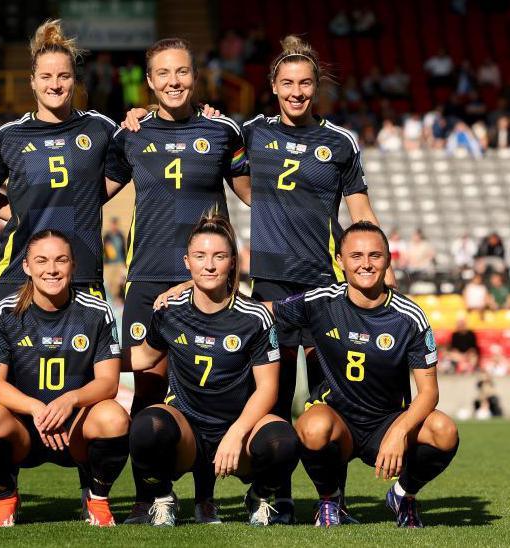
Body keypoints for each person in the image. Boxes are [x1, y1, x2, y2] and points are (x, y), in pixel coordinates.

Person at [155, 35, 394, 522]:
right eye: (287, 83)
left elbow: (360, 211)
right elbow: (238, 180)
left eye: (305, 83)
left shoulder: (340, 142)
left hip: (326, 285)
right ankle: (273, 494)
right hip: (271, 285)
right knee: (277, 394)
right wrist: (138, 117)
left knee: (333, 393)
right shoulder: (252, 131)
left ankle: (332, 498)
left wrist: (377, 268)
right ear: (273, 86)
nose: (297, 92)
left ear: (316, 88)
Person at [103, 37, 252, 523]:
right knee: (147, 390)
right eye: (163, 74)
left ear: (195, 75)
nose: (173, 81)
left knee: (211, 393)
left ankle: (205, 498)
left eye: (182, 72)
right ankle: (152, 495)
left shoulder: (222, 129)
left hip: (207, 281)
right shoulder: (130, 134)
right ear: (149, 82)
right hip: (146, 279)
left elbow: (258, 194)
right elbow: (90, 192)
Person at [269, 222, 459, 527]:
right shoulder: (320, 301)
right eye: (356, 256)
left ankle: (403, 496)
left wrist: (398, 432)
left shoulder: (409, 315)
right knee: (311, 425)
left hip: (386, 423)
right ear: (341, 261)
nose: (366, 264)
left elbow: (429, 393)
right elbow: (265, 312)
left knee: (444, 430)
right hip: (338, 422)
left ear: (388, 260)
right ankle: (330, 501)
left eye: (375, 255)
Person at [130, 213, 298, 527]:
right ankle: (164, 497)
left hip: (238, 429)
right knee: (146, 425)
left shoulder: (255, 316)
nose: (209, 265)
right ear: (187, 262)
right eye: (200, 256)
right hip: (187, 432)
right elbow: (141, 358)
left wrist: (236, 433)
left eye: (219, 256)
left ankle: (259, 495)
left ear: (233, 262)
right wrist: (87, 355)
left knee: (282, 440)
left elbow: (267, 389)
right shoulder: (169, 311)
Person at [0, 230, 128, 527]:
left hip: (75, 429)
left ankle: (98, 498)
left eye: (60, 260)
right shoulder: (6, 312)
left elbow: (108, 382)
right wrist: (36, 408)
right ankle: (6, 497)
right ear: (26, 267)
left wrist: (70, 399)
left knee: (114, 417)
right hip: (23, 430)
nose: (51, 269)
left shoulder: (96, 311)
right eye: (41, 261)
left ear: (73, 265)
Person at [0, 20, 119, 321]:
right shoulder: (9, 136)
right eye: (46, 76)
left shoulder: (101, 128)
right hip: (18, 273)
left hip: (82, 271)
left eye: (64, 76)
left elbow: (135, 157)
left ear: (74, 80)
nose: (55, 84)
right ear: (32, 81)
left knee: (87, 368)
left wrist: (140, 115)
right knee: (4, 368)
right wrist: (14, 210)